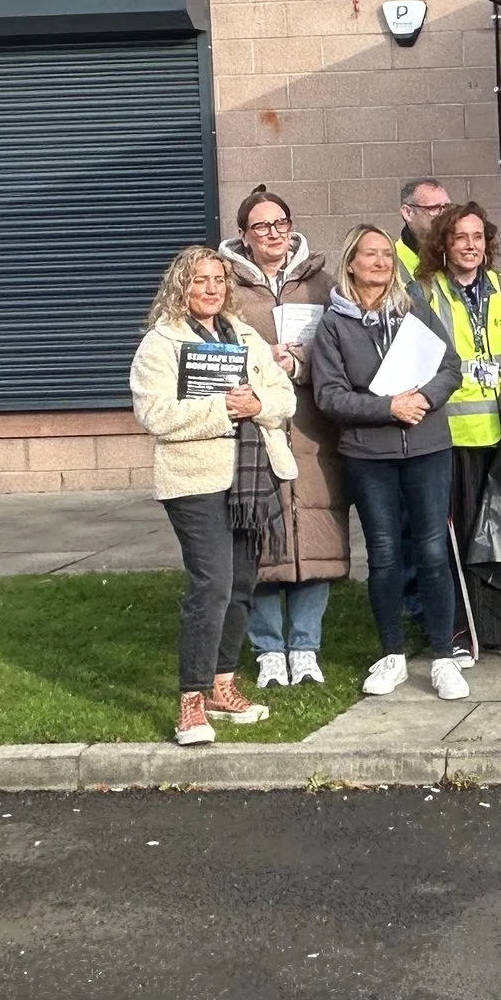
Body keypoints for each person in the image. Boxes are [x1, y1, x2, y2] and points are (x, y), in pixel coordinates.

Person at [129, 245, 297, 746]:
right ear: (180, 286)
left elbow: (284, 397)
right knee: (212, 586)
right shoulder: (161, 344)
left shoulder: (245, 336)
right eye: (200, 280)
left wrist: (257, 403)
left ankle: (223, 685)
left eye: (218, 280)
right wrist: (222, 408)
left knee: (242, 584)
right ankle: (192, 700)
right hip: (194, 481)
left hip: (250, 479)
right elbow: (154, 415)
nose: (211, 289)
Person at [309, 225, 471, 702]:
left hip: (428, 447)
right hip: (368, 455)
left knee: (433, 551)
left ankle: (443, 656)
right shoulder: (333, 325)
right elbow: (329, 396)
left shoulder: (414, 307)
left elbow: (450, 367)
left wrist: (423, 399)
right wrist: (387, 408)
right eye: (371, 254)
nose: (382, 262)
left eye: (387, 254)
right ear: (351, 263)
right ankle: (392, 655)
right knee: (382, 554)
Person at [219, 186, 347, 688]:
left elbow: (343, 347)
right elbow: (214, 349)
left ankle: (306, 646)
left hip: (313, 428)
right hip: (255, 429)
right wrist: (260, 364)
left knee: (318, 535)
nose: (273, 233)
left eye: (280, 223)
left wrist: (299, 362)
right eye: (261, 226)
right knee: (260, 537)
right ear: (244, 235)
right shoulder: (226, 285)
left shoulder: (323, 284)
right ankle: (269, 649)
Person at [414, 200, 501, 662]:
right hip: (448, 434)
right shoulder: (425, 291)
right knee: (456, 539)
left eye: (478, 237)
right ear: (443, 244)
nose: (470, 245)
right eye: (460, 237)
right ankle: (459, 634)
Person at [394, 176, 452, 281]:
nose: (444, 214)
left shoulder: (456, 256)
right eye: (433, 208)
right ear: (407, 213)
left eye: (447, 207)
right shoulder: (390, 264)